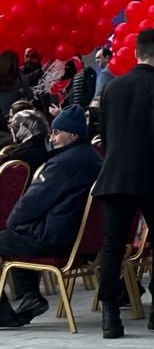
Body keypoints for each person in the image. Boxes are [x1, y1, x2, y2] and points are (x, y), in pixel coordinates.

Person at [95, 28, 154, 338]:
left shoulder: (112, 88)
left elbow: (106, 135)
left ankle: (110, 314)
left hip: (116, 174)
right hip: (151, 177)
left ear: (136, 52)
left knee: (112, 244)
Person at [0, 105, 101, 329]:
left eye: (57, 132)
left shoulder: (62, 164)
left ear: (73, 134)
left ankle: (6, 311)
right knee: (13, 238)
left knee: (9, 236)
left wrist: (13, 223)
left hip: (56, 239)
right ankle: (30, 295)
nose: (52, 137)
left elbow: (30, 205)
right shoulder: (93, 158)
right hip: (82, 242)